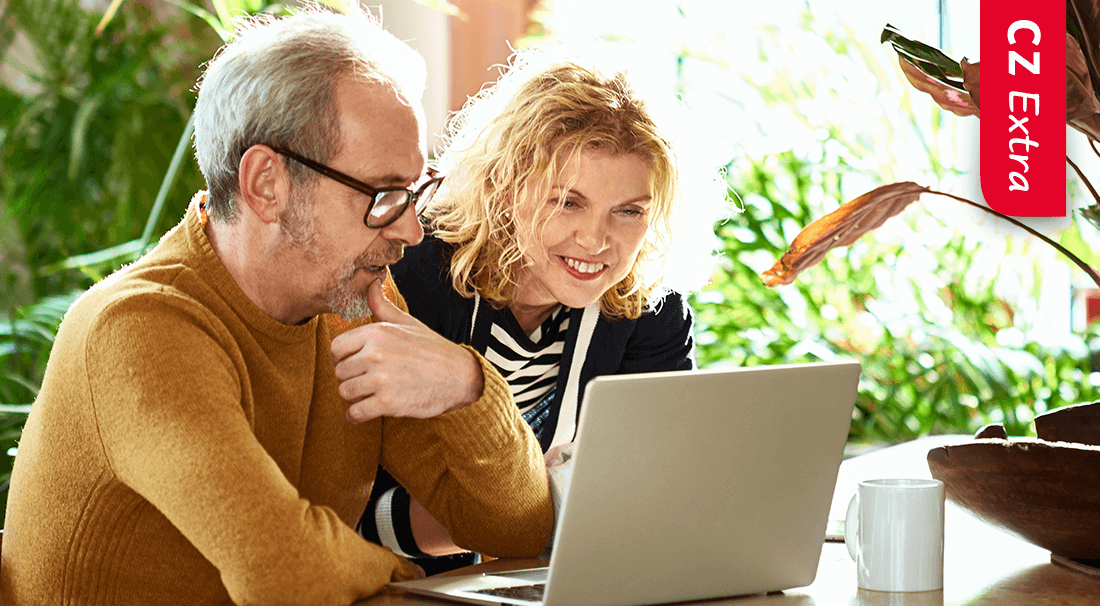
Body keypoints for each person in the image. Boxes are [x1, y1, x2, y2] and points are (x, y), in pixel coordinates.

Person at [0, 6, 554, 605]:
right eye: (385, 194)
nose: (412, 231)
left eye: (415, 191)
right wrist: (406, 580)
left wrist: (467, 384)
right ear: (266, 183)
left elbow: (519, 529)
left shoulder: (354, 306)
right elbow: (283, 570)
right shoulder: (139, 329)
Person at [359, 44, 728, 571]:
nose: (596, 240)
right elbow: (352, 508)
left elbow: (657, 492)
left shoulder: (649, 312)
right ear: (505, 187)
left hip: (558, 581)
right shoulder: (409, 275)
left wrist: (538, 516)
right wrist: (534, 517)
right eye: (567, 201)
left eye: (628, 211)